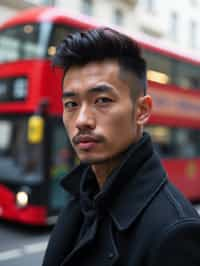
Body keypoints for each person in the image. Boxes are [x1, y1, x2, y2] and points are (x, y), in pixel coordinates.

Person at [42, 27, 200, 266]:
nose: (82, 120)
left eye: (102, 100)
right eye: (71, 103)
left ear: (142, 111)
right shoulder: (82, 196)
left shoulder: (174, 231)